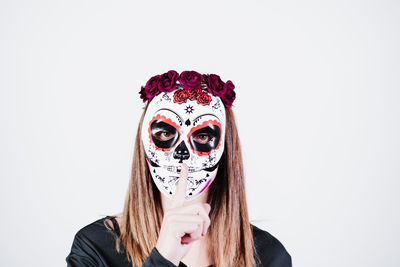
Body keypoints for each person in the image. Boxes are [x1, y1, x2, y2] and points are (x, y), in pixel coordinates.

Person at [66, 70, 292, 267]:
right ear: (144, 144)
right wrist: (163, 258)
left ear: (225, 148)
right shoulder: (95, 248)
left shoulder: (267, 256)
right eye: (165, 134)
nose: (182, 153)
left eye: (202, 136)